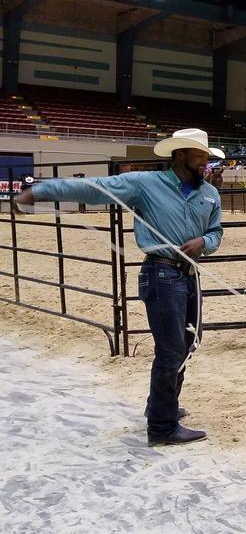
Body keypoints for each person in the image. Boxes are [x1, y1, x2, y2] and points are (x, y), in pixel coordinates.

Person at [14, 128, 224, 446]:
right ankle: (162, 427)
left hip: (189, 277)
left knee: (187, 344)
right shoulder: (145, 184)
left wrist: (204, 242)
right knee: (170, 350)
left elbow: (216, 232)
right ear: (179, 154)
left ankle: (162, 406)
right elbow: (98, 188)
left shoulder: (209, 193)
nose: (206, 161)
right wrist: (42, 191)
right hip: (162, 274)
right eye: (200, 154)